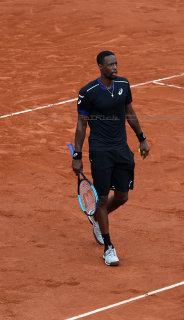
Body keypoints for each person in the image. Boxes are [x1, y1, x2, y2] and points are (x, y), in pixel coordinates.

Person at [72, 51, 149, 266]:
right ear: (100, 66)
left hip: (121, 149)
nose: (115, 68)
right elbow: (81, 124)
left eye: (116, 64)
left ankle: (96, 216)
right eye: (110, 65)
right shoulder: (88, 92)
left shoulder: (124, 84)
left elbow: (129, 112)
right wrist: (77, 155)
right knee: (103, 198)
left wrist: (142, 138)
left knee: (122, 196)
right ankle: (108, 247)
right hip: (100, 150)